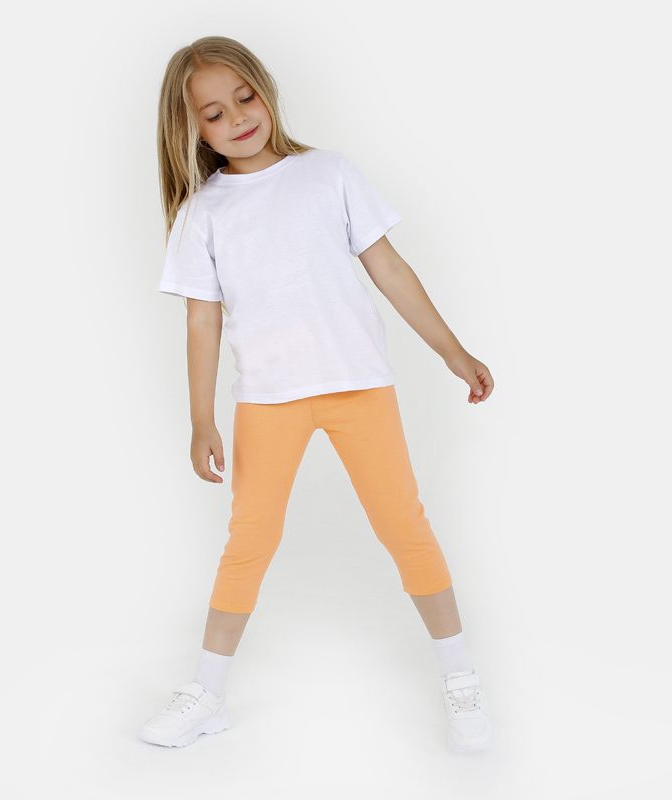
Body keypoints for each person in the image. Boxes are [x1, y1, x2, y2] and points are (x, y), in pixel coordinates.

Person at [138, 35, 497, 752]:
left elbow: (390, 270)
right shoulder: (203, 213)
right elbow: (202, 321)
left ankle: (461, 677)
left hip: (359, 386)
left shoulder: (329, 174)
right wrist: (201, 419)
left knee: (404, 526)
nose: (238, 118)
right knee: (249, 540)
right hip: (268, 399)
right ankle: (206, 691)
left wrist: (453, 352)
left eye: (245, 97)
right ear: (192, 130)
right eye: (214, 113)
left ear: (265, 91)